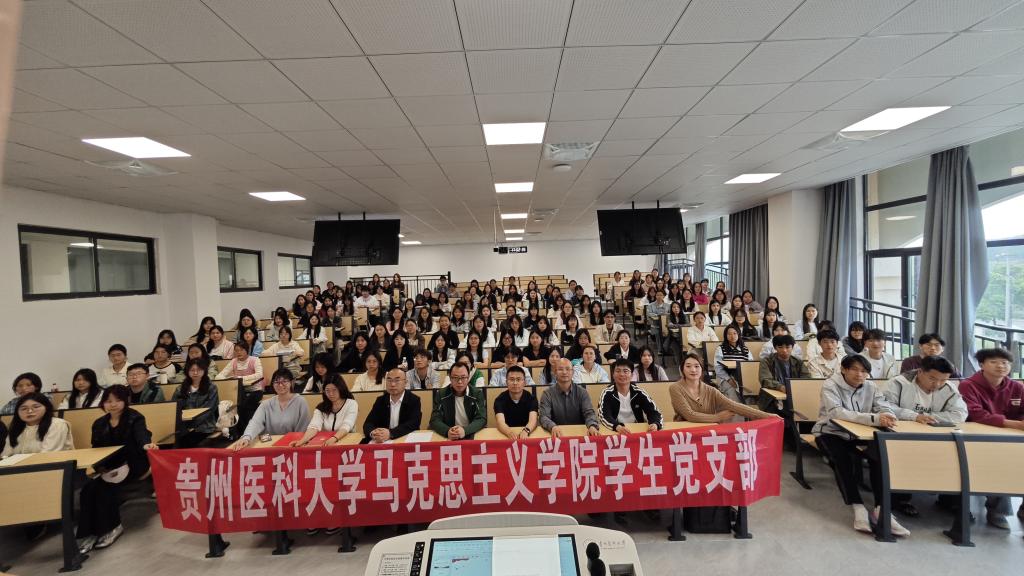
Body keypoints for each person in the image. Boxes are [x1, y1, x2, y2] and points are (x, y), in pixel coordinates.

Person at [812, 356, 907, 536]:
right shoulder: (831, 385)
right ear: (844, 369)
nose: (860, 374)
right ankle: (857, 506)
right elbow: (837, 413)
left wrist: (887, 415)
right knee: (842, 460)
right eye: (855, 369)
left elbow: (883, 405)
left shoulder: (871, 387)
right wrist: (874, 419)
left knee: (880, 457)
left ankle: (881, 508)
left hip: (861, 433)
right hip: (830, 432)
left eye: (864, 371)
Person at [75, 385, 158, 553]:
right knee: (88, 490)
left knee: (104, 489)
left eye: (117, 400)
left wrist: (147, 445)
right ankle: (88, 533)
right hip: (109, 466)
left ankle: (112, 527)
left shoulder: (135, 417)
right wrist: (100, 467)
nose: (112, 404)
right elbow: (96, 449)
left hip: (133, 463)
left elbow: (142, 437)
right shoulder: (99, 423)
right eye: (108, 401)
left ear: (125, 401)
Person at [883, 355, 966, 518]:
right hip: (901, 435)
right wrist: (914, 416)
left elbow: (960, 414)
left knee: (956, 455)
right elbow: (885, 406)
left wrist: (930, 417)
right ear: (920, 372)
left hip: (936, 436)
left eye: (943, 380)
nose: (937, 384)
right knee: (900, 455)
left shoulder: (949, 388)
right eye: (932, 379)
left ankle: (949, 499)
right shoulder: (898, 383)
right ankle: (900, 499)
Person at [958, 348, 1024, 529]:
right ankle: (998, 512)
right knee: (999, 464)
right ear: (981, 365)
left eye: (1005, 362)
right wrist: (1014, 424)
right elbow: (975, 414)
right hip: (979, 437)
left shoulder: (1017, 387)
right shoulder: (968, 385)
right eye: (994, 362)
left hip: (1012, 436)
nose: (1000, 366)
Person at [670, 353, 775, 424]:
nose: (693, 370)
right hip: (684, 434)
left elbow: (733, 405)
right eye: (688, 366)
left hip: (707, 431)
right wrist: (718, 417)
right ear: (682, 369)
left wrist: (767, 416)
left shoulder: (710, 390)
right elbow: (690, 415)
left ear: (702, 369)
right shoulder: (675, 388)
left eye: (697, 366)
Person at [231, 369, 311, 451]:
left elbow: (303, 428)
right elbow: (255, 422)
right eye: (276, 382)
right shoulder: (266, 404)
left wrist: (298, 443)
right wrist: (246, 437)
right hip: (270, 446)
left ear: (291, 382)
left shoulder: (300, 402)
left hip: (293, 445)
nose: (280, 385)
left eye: (284, 381)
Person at [538, 359, 601, 436]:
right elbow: (544, 417)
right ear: (555, 372)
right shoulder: (547, 394)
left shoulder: (582, 392)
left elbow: (589, 413)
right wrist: (552, 427)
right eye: (560, 369)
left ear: (573, 372)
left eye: (568, 369)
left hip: (579, 434)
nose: (564, 372)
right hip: (557, 435)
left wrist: (592, 426)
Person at [292, 375, 357, 448]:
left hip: (348, 441)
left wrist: (334, 438)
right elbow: (314, 427)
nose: (331, 394)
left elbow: (347, 425)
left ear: (341, 389)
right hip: (327, 442)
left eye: (334, 390)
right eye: (327, 390)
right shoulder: (321, 407)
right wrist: (301, 441)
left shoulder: (351, 404)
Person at [1, 393, 73, 459]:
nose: (30, 411)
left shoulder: (57, 424)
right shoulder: (14, 427)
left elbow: (47, 455)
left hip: (56, 466)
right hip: (21, 467)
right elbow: (6, 455)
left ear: (46, 408)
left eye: (36, 407)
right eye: (24, 408)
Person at [598, 359, 663, 432]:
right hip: (615, 430)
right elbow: (604, 415)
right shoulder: (607, 393)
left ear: (632, 375)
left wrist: (655, 424)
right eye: (618, 371)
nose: (621, 374)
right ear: (613, 375)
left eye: (625, 371)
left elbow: (654, 412)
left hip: (636, 429)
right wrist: (617, 426)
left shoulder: (639, 392)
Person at [362, 369, 422, 444]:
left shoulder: (413, 400)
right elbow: (368, 423)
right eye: (389, 380)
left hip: (405, 441)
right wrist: (373, 433)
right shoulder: (381, 400)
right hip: (383, 443)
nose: (392, 384)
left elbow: (414, 424)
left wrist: (391, 433)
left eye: (397, 380)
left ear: (405, 383)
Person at [171, 358, 220, 448]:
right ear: (187, 371)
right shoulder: (180, 388)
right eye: (192, 370)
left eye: (199, 370)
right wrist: (184, 426)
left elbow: (209, 410)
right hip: (184, 426)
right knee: (170, 442)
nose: (195, 373)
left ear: (204, 371)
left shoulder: (211, 387)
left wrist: (191, 425)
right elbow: (174, 408)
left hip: (204, 426)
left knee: (185, 442)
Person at [431, 363, 487, 440]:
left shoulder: (476, 393)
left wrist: (465, 430)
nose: (460, 382)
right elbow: (435, 419)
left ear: (468, 378)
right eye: (455, 377)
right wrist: (447, 431)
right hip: (450, 435)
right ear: (450, 378)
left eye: (463, 377)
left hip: (470, 433)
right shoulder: (441, 394)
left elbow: (481, 418)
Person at [758, 335, 809, 411]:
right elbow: (765, 380)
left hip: (795, 397)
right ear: (775, 348)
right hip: (771, 400)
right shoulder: (767, 361)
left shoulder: (798, 362)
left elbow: (807, 379)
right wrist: (780, 387)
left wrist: (796, 389)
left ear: (792, 347)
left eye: (787, 347)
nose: (784, 350)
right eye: (780, 347)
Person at [493, 366, 539, 440]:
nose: (515, 383)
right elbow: (500, 422)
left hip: (527, 434)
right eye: (511, 379)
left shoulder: (531, 398)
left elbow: (533, 420)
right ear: (506, 382)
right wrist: (509, 432)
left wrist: (526, 430)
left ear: (524, 383)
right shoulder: (499, 400)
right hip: (507, 435)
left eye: (518, 379)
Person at [714, 325, 752, 401]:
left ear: (738, 334)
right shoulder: (720, 349)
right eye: (729, 334)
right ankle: (737, 409)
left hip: (742, 377)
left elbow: (750, 365)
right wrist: (729, 379)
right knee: (733, 393)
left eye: (735, 333)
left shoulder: (745, 349)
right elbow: (718, 368)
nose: (732, 336)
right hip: (725, 378)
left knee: (750, 393)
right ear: (725, 336)